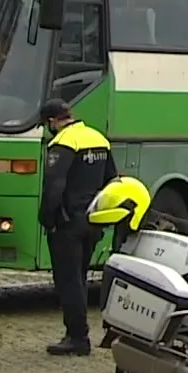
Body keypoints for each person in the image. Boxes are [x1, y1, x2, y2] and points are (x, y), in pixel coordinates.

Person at [38, 96, 116, 356]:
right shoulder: (99, 139)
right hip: (92, 221)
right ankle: (78, 333)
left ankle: (77, 337)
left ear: (52, 122)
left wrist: (48, 219)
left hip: (68, 222)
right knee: (79, 276)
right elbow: (111, 182)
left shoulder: (62, 143)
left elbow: (54, 187)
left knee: (68, 280)